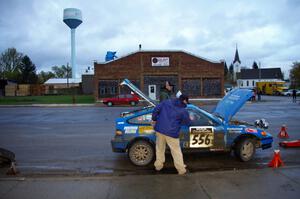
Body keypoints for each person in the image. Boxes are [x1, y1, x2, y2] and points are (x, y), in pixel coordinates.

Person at [152, 94, 191, 175]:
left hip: (159, 130)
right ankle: (181, 169)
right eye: (186, 102)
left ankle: (158, 166)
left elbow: (156, 109)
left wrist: (154, 119)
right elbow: (187, 123)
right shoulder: (183, 110)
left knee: (159, 149)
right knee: (176, 151)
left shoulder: (166, 102)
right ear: (184, 101)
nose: (186, 104)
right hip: (172, 133)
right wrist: (191, 119)